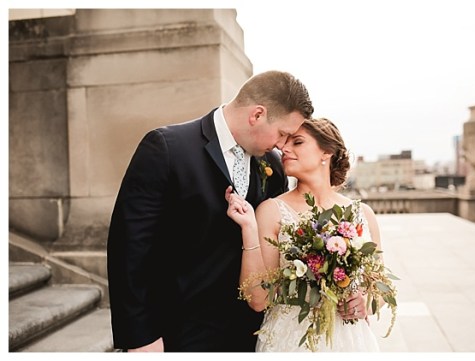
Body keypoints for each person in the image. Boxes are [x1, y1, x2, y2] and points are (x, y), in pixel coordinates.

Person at [107, 70, 314, 351]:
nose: (282, 144)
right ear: (257, 115)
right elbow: (128, 250)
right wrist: (140, 338)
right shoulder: (166, 148)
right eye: (282, 133)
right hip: (178, 334)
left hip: (252, 335)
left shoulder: (274, 167)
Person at [225, 117, 383, 351]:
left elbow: (378, 291)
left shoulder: (363, 214)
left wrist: (364, 303)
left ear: (326, 152)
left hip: (351, 342)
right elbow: (258, 300)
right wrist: (249, 229)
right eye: (284, 144)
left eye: (297, 142)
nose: (284, 149)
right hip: (289, 342)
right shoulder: (271, 211)